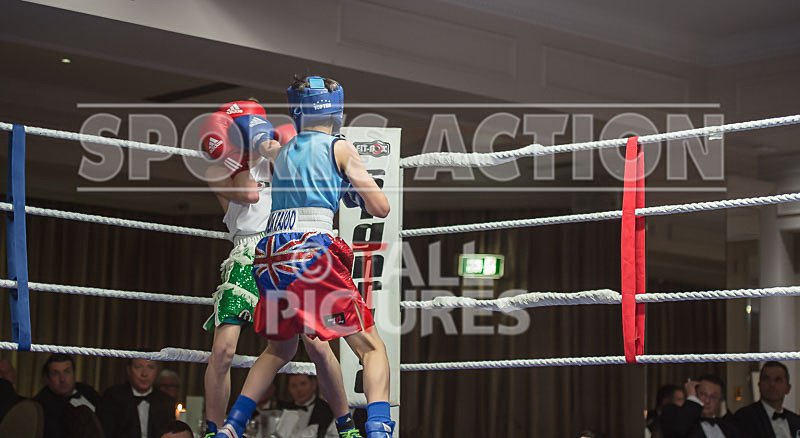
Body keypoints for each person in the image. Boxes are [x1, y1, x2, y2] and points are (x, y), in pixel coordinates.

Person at [214, 75, 394, 438]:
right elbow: (381, 207)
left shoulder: (279, 150)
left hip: (269, 254)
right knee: (371, 349)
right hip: (312, 249)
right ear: (338, 109)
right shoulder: (340, 148)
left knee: (279, 349)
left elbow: (253, 133)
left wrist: (242, 119)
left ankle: (230, 427)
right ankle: (378, 428)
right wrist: (355, 187)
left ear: (297, 110)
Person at [100, 358, 176, 438]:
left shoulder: (166, 401)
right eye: (138, 367)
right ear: (129, 370)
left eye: (150, 367)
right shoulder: (112, 397)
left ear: (156, 371)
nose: (144, 374)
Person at [33, 354, 102, 438]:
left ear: (74, 373)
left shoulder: (87, 391)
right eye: (55, 373)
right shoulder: (41, 405)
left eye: (67, 372)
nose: (62, 379)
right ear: (47, 378)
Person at [660, 375, 741, 438]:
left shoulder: (729, 428)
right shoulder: (678, 419)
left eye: (713, 397)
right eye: (703, 394)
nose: (707, 401)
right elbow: (677, 430)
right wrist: (691, 398)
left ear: (720, 401)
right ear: (695, 394)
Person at [734, 361, 800, 438]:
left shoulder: (796, 421)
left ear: (788, 388)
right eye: (766, 379)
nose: (772, 384)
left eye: (777, 380)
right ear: (759, 385)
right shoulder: (745, 417)